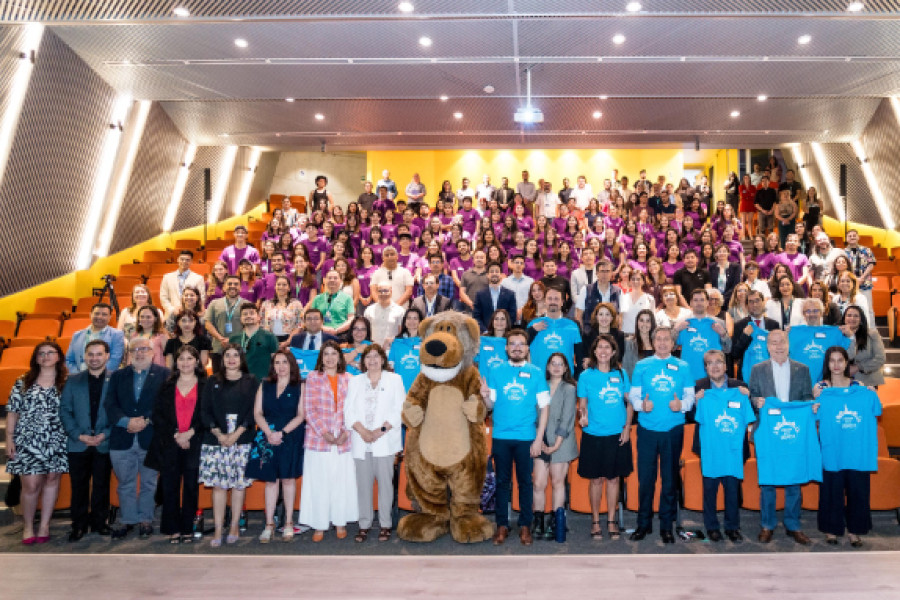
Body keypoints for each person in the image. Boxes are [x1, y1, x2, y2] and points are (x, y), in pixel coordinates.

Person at [480, 330, 550, 546]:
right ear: (506, 348)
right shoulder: (496, 371)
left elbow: (544, 408)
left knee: (525, 483)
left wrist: (539, 439)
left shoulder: (536, 373)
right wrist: (484, 397)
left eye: (521, 344)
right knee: (502, 482)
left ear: (527, 349)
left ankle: (525, 526)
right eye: (513, 344)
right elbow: (490, 407)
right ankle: (502, 525)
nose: (517, 347)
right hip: (501, 436)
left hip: (526, 437)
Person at [627, 327, 695, 544]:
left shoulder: (683, 366)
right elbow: (634, 396)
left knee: (669, 480)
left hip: (673, 430)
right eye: (659, 339)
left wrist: (681, 405)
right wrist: (641, 405)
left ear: (673, 343)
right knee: (645, 479)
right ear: (653, 341)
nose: (663, 342)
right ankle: (643, 524)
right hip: (647, 430)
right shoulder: (642, 365)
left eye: (667, 339)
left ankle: (667, 526)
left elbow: (690, 397)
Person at [748, 329, 815, 545]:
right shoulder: (757, 369)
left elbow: (806, 397)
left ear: (788, 344)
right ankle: (767, 525)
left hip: (792, 433)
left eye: (782, 342)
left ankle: (793, 525)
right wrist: (756, 401)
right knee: (767, 480)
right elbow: (752, 395)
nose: (778, 346)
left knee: (794, 480)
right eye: (774, 342)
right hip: (767, 432)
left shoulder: (802, 369)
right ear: (768, 346)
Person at [813, 346, 882, 547]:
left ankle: (854, 530)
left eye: (840, 360)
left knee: (858, 491)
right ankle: (831, 530)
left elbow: (876, 410)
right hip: (832, 450)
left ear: (846, 363)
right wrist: (814, 401)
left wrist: (870, 392)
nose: (836, 365)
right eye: (832, 361)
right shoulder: (821, 390)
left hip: (857, 452)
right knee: (831, 491)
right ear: (827, 364)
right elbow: (812, 417)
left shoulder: (860, 388)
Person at [105, 336, 170, 540]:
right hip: (121, 438)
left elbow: (166, 404)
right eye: (134, 350)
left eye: (144, 349)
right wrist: (126, 422)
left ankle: (146, 520)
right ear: (128, 354)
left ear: (152, 352)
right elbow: (110, 405)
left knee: (149, 482)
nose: (139, 353)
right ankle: (128, 520)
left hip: (150, 437)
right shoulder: (117, 376)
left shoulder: (164, 374)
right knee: (125, 482)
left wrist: (146, 420)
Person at [6, 342, 68, 544]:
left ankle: (44, 526)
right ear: (36, 357)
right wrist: (9, 438)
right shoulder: (23, 381)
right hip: (27, 438)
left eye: (51, 352)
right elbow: (13, 411)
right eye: (41, 353)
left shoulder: (66, 382)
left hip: (57, 437)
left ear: (59, 357)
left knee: (52, 479)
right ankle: (28, 526)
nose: (46, 356)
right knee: (31, 484)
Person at [343, 344, 404, 543]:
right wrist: (362, 431)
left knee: (386, 485)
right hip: (361, 441)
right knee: (363, 486)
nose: (372, 360)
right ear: (363, 361)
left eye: (376, 356)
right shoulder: (355, 382)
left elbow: (399, 409)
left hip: (384, 441)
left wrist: (379, 431)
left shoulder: (395, 380)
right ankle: (364, 525)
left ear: (383, 359)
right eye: (368, 357)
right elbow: (348, 411)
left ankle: (385, 525)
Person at [692, 349, 755, 543]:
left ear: (726, 365)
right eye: (710, 363)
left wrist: (748, 396)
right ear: (706, 368)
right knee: (709, 491)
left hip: (734, 450)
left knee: (732, 491)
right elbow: (689, 416)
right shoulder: (699, 388)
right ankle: (711, 527)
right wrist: (696, 402)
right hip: (710, 448)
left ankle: (732, 527)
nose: (715, 366)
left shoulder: (740, 388)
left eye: (718, 362)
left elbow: (750, 417)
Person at [145, 345, 205, 544]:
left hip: (195, 442)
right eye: (181, 359)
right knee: (170, 486)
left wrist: (189, 433)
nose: (185, 362)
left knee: (190, 487)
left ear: (197, 361)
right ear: (175, 362)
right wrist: (177, 434)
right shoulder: (167, 384)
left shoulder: (206, 384)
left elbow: (207, 414)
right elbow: (158, 414)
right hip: (170, 442)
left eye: (190, 358)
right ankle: (172, 528)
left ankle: (188, 527)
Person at [199, 344, 257, 547]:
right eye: (227, 356)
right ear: (222, 359)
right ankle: (217, 528)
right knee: (219, 485)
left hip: (241, 437)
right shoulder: (212, 381)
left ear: (241, 359)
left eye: (235, 355)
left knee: (239, 485)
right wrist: (218, 433)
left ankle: (234, 525)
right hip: (216, 438)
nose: (231, 359)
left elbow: (253, 412)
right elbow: (204, 410)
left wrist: (236, 434)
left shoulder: (251, 381)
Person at [299, 341, 357, 541]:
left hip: (342, 439)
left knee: (341, 481)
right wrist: (325, 433)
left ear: (340, 358)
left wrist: (345, 432)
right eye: (326, 354)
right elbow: (309, 409)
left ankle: (340, 521)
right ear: (321, 358)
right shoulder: (313, 378)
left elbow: (352, 409)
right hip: (318, 439)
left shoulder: (349, 379)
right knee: (319, 483)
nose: (330, 358)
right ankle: (319, 524)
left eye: (334, 354)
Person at [577, 334, 633, 540]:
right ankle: (595, 520)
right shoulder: (586, 376)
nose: (603, 351)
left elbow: (630, 402)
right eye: (599, 347)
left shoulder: (621, 373)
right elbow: (582, 404)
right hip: (593, 435)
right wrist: (582, 415)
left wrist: (627, 427)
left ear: (613, 351)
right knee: (597, 480)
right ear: (594, 351)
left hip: (617, 434)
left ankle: (611, 520)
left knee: (613, 479)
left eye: (607, 348)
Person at [246, 351, 306, 543]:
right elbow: (257, 413)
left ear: (291, 365)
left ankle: (288, 522)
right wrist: (269, 433)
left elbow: (301, 415)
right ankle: (269, 524)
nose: (281, 366)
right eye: (277, 362)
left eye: (285, 362)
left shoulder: (300, 385)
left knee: (288, 480)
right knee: (271, 481)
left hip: (290, 436)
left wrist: (283, 433)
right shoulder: (265, 384)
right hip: (268, 437)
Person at [59, 339, 113, 541]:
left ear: (107, 356)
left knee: (101, 485)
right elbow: (65, 411)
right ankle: (78, 525)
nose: (94, 358)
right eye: (90, 354)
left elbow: (118, 412)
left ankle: (100, 523)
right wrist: (78, 435)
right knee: (79, 486)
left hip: (103, 442)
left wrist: (104, 434)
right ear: (84, 357)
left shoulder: (114, 380)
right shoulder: (73, 380)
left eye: (99, 354)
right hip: (78, 443)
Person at [531, 352, 578, 540]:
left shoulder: (569, 389)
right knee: (538, 483)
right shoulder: (539, 386)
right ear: (548, 367)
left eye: (561, 364)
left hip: (562, 442)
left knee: (558, 482)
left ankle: (555, 523)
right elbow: (533, 414)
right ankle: (539, 521)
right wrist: (538, 439)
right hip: (540, 440)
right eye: (553, 363)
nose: (557, 367)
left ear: (566, 368)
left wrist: (556, 445)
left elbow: (567, 419)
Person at [673, 289, 732, 381]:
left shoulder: (718, 323)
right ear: (691, 303)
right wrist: (676, 330)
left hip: (713, 376)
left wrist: (723, 334)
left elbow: (728, 349)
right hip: (689, 375)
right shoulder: (682, 323)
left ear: (707, 302)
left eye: (702, 300)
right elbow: (671, 348)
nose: (699, 303)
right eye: (695, 300)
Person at [527, 288, 584, 377]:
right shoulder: (533, 324)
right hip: (538, 379)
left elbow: (580, 356)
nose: (553, 302)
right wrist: (531, 331)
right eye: (550, 299)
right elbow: (522, 347)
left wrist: (577, 377)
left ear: (562, 302)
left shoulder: (573, 325)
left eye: (556, 299)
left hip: (565, 379)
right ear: (545, 301)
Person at [205, 275, 253, 373]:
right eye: (229, 284)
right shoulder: (214, 303)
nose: (232, 286)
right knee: (218, 380)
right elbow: (208, 323)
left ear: (240, 287)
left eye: (236, 284)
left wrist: (233, 339)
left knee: (239, 380)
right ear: (224, 287)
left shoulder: (247, 304)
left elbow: (251, 326)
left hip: (240, 349)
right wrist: (220, 338)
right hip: (219, 348)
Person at [732, 291, 780, 382]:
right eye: (751, 302)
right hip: (747, 377)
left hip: (770, 376)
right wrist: (745, 336)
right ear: (746, 306)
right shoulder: (739, 325)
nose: (755, 304)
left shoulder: (774, 325)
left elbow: (780, 351)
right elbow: (735, 354)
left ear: (763, 302)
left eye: (757, 300)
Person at [66, 302, 125, 373]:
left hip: (104, 378)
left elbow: (115, 360)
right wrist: (78, 375)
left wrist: (96, 375)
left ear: (110, 317)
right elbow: (69, 360)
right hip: (79, 377)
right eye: (96, 313)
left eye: (104, 314)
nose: (100, 317)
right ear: (90, 315)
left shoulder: (117, 335)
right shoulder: (77, 335)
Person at [229, 304, 279, 382]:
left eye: (252, 313)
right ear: (240, 319)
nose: (248, 316)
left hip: (263, 382)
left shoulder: (269, 337)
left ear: (259, 317)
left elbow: (276, 361)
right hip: (239, 382)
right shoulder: (234, 338)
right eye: (245, 314)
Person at [842, 305, 886, 388]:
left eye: (856, 316)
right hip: (843, 382)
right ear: (844, 318)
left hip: (868, 382)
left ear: (861, 319)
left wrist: (858, 367)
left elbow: (880, 358)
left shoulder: (872, 334)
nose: (852, 318)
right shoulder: (838, 335)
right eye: (849, 315)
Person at [576, 258, 622, 334]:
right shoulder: (586, 290)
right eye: (602, 271)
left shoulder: (618, 291)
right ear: (597, 273)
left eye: (607, 271)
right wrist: (582, 334)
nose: (605, 274)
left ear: (611, 273)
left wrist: (618, 334)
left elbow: (620, 317)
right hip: (590, 334)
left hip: (611, 335)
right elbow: (579, 315)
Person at [309, 270, 356, 338]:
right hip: (320, 334)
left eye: (335, 278)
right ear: (324, 280)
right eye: (329, 278)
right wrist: (323, 328)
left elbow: (351, 318)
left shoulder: (347, 298)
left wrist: (337, 330)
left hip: (341, 335)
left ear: (341, 281)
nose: (332, 280)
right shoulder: (317, 299)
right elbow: (311, 318)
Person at [473, 261, 518, 333]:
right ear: (487, 275)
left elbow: (512, 316)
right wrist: (485, 331)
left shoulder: (510, 294)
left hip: (504, 334)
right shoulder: (480, 294)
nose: (494, 274)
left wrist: (504, 330)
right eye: (492, 271)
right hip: (485, 334)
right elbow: (476, 316)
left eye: (497, 271)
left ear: (501, 275)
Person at [844, 229, 877, 326]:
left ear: (858, 237)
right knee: (850, 308)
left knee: (868, 309)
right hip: (850, 285)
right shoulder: (843, 252)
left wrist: (862, 277)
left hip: (865, 284)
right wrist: (855, 279)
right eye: (850, 236)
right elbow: (844, 268)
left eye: (854, 235)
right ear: (846, 239)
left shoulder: (866, 250)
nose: (852, 237)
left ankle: (871, 330)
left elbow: (871, 264)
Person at [160, 250, 206, 316]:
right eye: (182, 259)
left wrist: (190, 311)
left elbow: (201, 298)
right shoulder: (167, 277)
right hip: (171, 314)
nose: (184, 262)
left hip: (191, 315)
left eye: (187, 260)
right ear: (177, 260)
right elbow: (163, 297)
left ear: (191, 262)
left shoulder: (198, 278)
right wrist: (172, 310)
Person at [364, 282, 406, 347]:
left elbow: (402, 333)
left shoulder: (400, 311)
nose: (383, 293)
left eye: (386, 291)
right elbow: (365, 331)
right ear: (377, 293)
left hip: (392, 349)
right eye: (380, 291)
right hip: (373, 349)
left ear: (391, 292)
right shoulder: (369, 310)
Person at [619, 270, 656, 335]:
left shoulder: (649, 299)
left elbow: (652, 320)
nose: (635, 281)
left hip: (643, 336)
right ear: (629, 281)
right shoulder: (622, 297)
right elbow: (619, 318)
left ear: (643, 282)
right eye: (633, 279)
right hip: (625, 335)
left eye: (638, 279)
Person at [501, 254, 534, 323]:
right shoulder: (505, 282)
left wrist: (522, 310)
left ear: (524, 266)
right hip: (509, 318)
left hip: (526, 317)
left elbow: (532, 299)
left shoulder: (530, 282)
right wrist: (513, 311)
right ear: (512, 264)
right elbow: (503, 301)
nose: (519, 265)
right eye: (516, 262)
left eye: (521, 263)